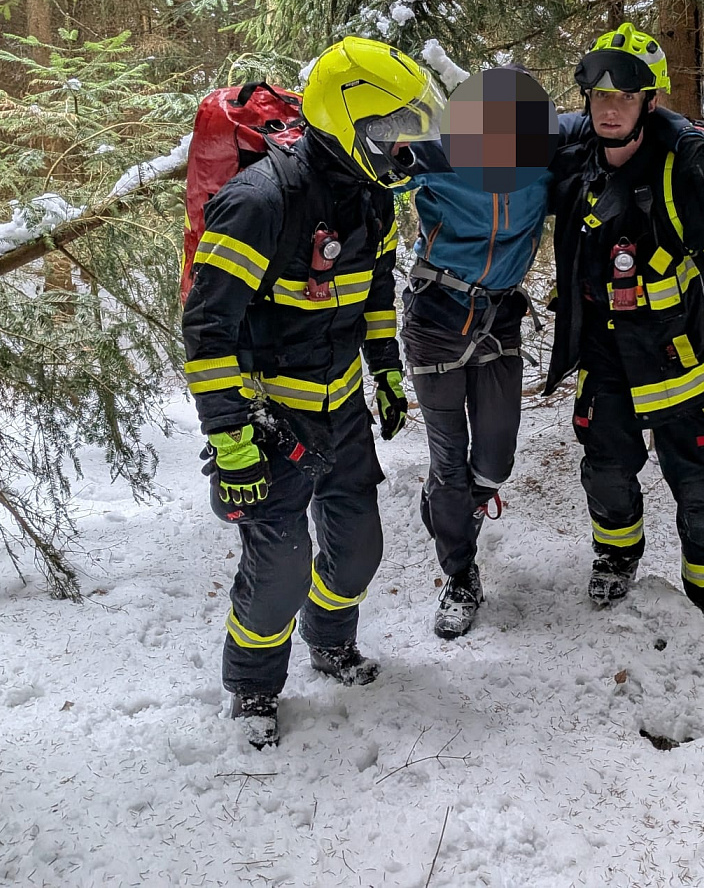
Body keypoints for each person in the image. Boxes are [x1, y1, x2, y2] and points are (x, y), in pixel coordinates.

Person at [181, 37, 442, 747]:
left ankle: (329, 641)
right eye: (395, 131)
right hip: (269, 423)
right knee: (279, 572)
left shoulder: (372, 195)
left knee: (357, 552)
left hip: (342, 407)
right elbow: (207, 330)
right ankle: (253, 688)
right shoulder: (259, 203)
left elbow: (375, 291)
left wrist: (386, 368)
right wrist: (231, 437)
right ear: (350, 122)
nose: (406, 147)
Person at [543, 23, 704, 646]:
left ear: (649, 100)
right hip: (606, 356)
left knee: (696, 486)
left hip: (679, 358)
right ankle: (617, 558)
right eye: (600, 95)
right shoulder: (575, 160)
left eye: (625, 96)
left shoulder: (685, 169)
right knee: (606, 471)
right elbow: (498, 162)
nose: (610, 108)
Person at [394, 67, 559, 639]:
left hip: (498, 320)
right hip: (435, 317)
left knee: (494, 461)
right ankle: (460, 576)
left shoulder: (544, 165)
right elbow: (370, 166)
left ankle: (455, 505)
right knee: (448, 459)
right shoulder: (435, 156)